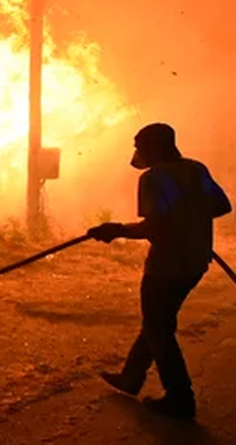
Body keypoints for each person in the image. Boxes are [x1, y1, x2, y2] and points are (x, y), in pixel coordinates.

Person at [89, 123, 231, 420]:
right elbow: (221, 206)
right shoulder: (196, 169)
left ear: (155, 147)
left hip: (166, 267)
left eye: (139, 145)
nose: (137, 152)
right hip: (195, 262)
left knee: (158, 327)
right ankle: (131, 376)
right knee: (158, 321)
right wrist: (190, 216)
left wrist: (115, 230)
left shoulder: (153, 178)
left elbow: (153, 227)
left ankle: (180, 397)